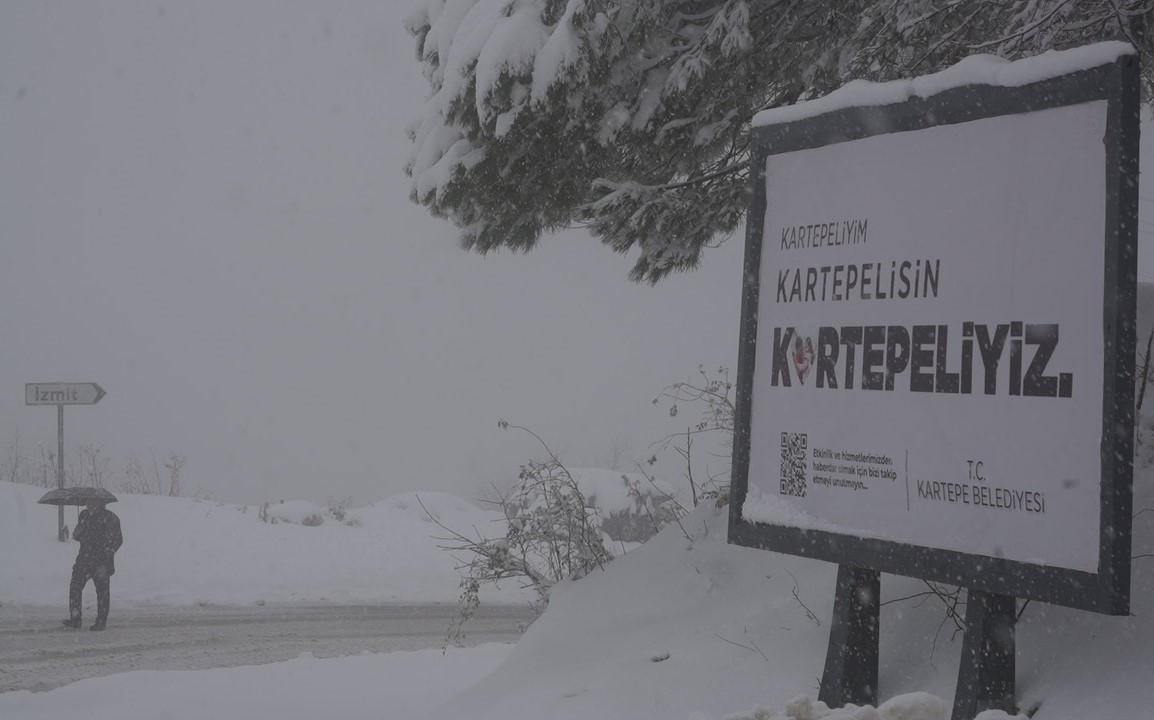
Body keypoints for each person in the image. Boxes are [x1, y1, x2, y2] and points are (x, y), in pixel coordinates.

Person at [62, 499, 123, 631]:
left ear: (100, 503)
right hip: (84, 559)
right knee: (75, 587)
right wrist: (77, 533)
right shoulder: (83, 515)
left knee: (102, 593)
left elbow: (118, 540)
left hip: (102, 562)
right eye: (88, 502)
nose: (89, 505)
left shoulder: (110, 518)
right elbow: (80, 536)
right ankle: (75, 619)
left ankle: (101, 622)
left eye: (92, 502)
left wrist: (107, 553)